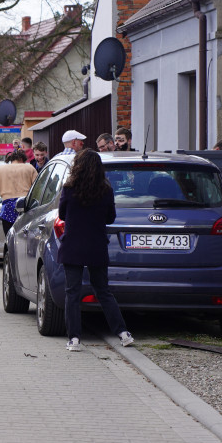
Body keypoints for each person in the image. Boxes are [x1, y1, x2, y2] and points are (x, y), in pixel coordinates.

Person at [57, 149, 134, 352]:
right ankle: (123, 333)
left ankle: (74, 339)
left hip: (73, 245)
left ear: (78, 166)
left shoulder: (69, 188)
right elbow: (110, 218)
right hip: (96, 245)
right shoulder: (105, 190)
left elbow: (62, 214)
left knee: (72, 292)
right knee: (103, 290)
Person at [0, 149, 38, 237]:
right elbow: (37, 188)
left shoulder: (0, 169)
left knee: (9, 238)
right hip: (26, 206)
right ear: (22, 159)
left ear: (11, 159)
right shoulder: (29, 168)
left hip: (8, 208)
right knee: (25, 237)